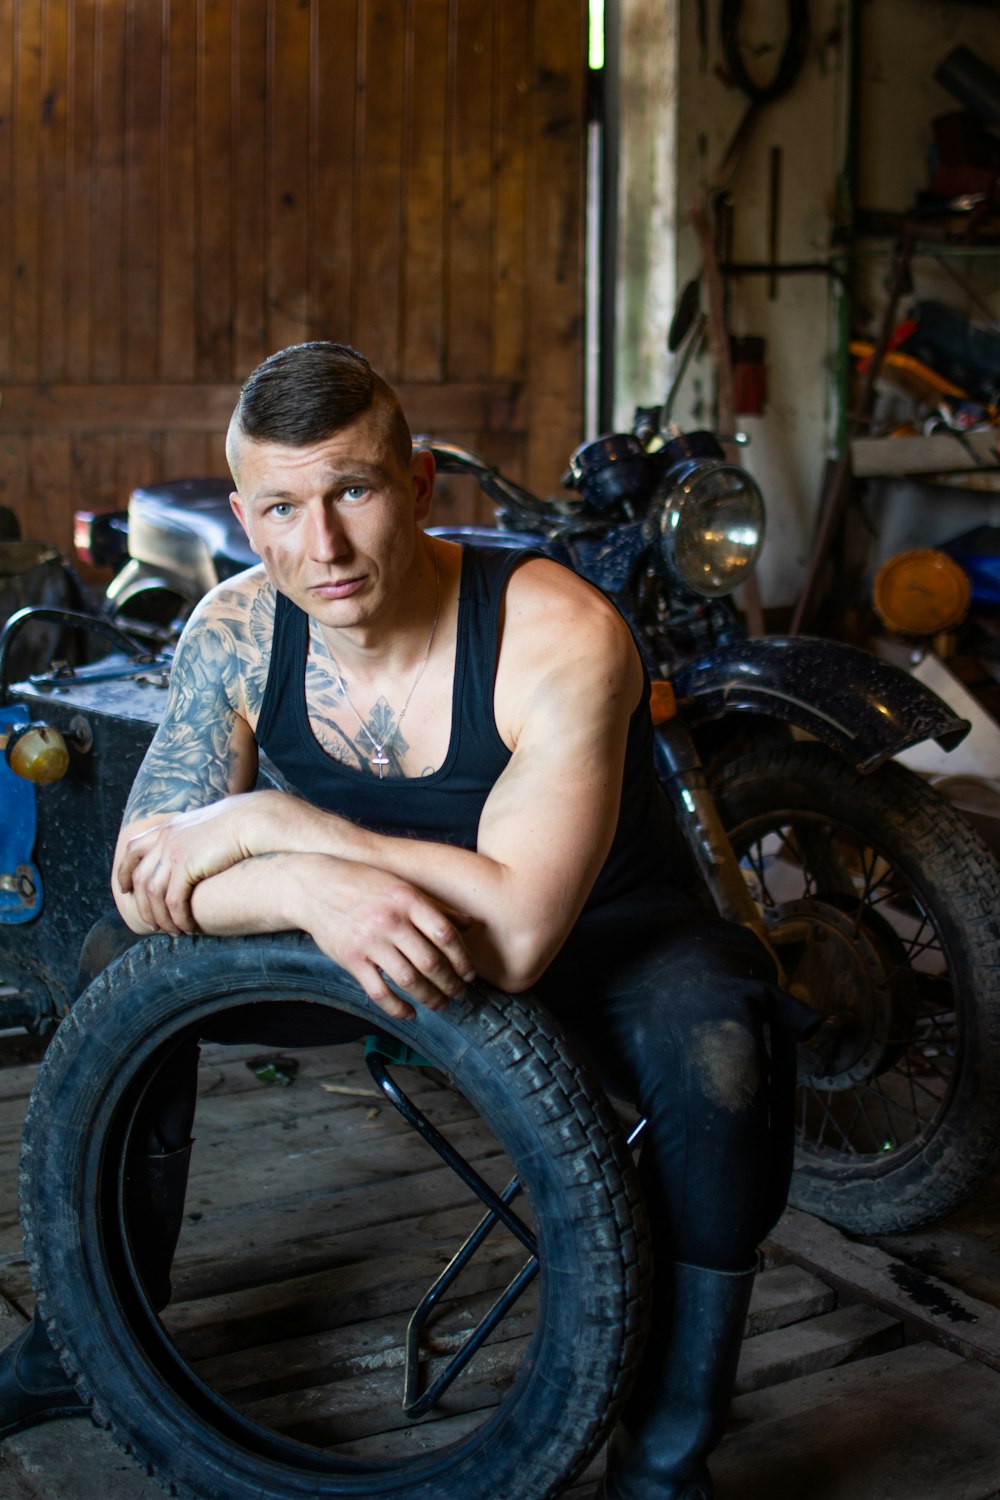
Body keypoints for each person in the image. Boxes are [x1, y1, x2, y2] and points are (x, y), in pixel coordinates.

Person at [0, 342, 803, 1499]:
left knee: (722, 1044)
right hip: (352, 940)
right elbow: (144, 875)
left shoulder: (557, 631)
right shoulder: (234, 630)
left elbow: (520, 933)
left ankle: (666, 1450)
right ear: (244, 512)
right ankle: (91, 1334)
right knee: (119, 956)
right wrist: (306, 888)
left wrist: (283, 823)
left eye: (353, 493)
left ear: (420, 485)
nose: (318, 547)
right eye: (281, 507)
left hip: (600, 943)